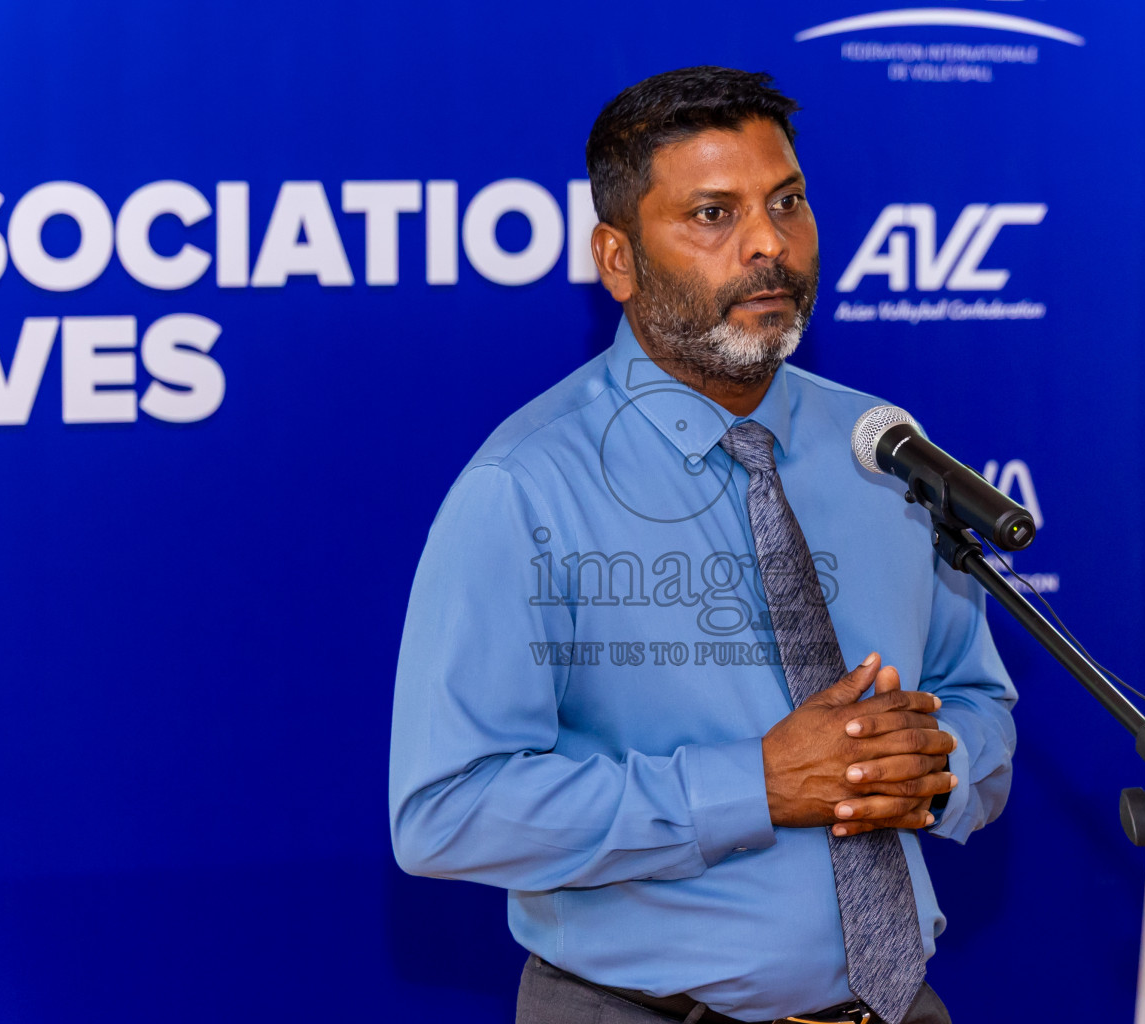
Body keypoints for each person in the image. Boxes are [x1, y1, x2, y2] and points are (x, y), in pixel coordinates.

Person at [389, 66, 1016, 1024]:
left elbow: (977, 703)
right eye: (714, 215)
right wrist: (754, 785)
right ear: (618, 258)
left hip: (895, 1007)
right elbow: (446, 811)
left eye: (788, 202)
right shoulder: (524, 487)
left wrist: (934, 764)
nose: (768, 243)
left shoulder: (882, 450)